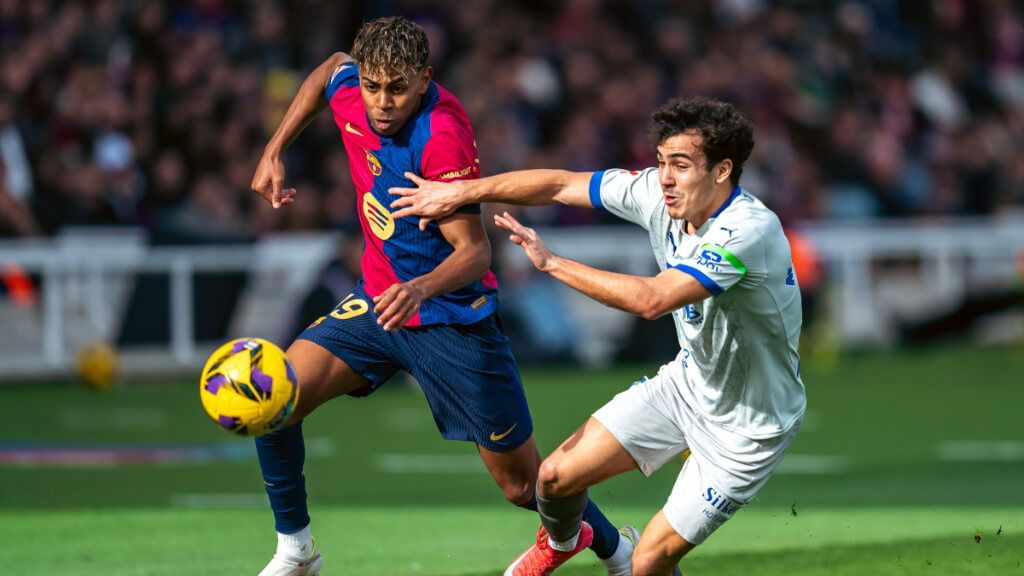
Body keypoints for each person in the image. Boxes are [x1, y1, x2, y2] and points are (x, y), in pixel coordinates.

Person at [248, 16, 632, 576]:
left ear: (424, 79)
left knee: (523, 485)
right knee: (274, 402)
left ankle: (615, 549)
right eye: (374, 86)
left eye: (398, 89)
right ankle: (296, 551)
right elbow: (328, 69)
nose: (382, 102)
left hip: (452, 319)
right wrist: (275, 147)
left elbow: (476, 253)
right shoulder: (351, 85)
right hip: (378, 304)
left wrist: (420, 287)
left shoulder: (440, 134)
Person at [391, 96, 807, 576]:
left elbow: (653, 299)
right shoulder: (656, 192)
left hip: (749, 426)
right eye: (661, 163)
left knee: (648, 562)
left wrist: (552, 264)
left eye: (681, 165)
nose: (665, 178)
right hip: (687, 387)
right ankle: (565, 541)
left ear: (721, 170)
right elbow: (561, 184)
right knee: (553, 478)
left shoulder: (747, 231)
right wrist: (463, 192)